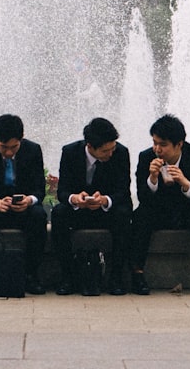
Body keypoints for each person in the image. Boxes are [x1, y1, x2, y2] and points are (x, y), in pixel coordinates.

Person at [129, 114, 190, 297]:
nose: (157, 149)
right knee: (140, 215)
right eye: (155, 143)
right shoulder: (146, 156)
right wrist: (152, 179)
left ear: (179, 144)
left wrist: (185, 183)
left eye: (163, 145)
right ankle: (137, 273)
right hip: (160, 212)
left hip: (188, 212)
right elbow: (142, 197)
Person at [51, 117, 131, 296]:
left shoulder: (121, 153)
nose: (110, 153)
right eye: (105, 151)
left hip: (105, 211)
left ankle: (116, 278)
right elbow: (62, 191)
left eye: (112, 148)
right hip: (79, 210)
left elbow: (122, 191)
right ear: (90, 146)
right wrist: (75, 198)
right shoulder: (70, 152)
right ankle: (68, 277)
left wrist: (105, 200)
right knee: (58, 213)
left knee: (124, 214)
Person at [0, 113, 48, 294]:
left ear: (21, 139)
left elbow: (39, 189)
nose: (8, 152)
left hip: (22, 207)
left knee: (39, 216)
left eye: (14, 147)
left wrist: (29, 200)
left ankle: (31, 274)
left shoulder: (33, 150)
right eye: (3, 147)